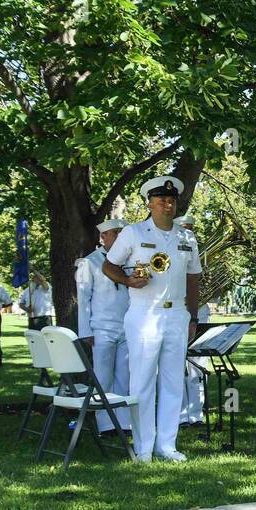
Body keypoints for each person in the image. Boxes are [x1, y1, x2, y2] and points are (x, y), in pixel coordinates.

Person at [103, 175, 202, 462]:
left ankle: (167, 445)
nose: (168, 205)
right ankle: (144, 447)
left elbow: (194, 278)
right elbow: (109, 266)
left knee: (172, 382)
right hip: (144, 314)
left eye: (172, 201)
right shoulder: (133, 233)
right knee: (143, 381)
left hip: (177, 315)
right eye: (161, 201)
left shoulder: (186, 236)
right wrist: (126, 280)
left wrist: (193, 317)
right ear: (150, 204)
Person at [76, 219, 132, 435]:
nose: (117, 237)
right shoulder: (89, 262)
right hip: (102, 327)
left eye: (120, 233)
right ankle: (105, 423)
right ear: (103, 237)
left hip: (127, 325)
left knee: (124, 376)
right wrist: (86, 331)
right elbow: (83, 299)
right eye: (113, 234)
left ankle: (124, 422)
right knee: (103, 376)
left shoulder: (130, 260)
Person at [176, 215, 211, 426]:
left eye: (191, 229)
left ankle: (196, 413)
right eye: (184, 228)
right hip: (178, 310)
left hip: (200, 311)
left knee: (199, 365)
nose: (189, 232)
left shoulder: (202, 254)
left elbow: (209, 290)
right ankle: (181, 415)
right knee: (176, 365)